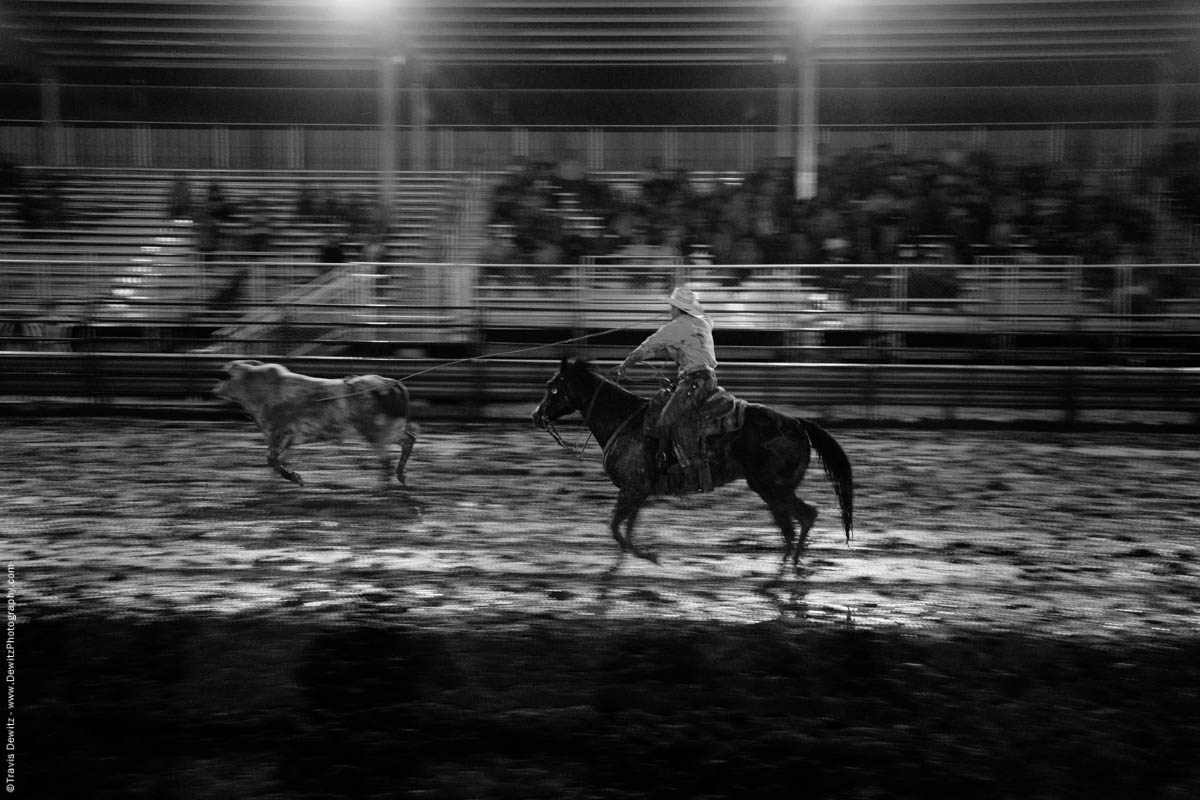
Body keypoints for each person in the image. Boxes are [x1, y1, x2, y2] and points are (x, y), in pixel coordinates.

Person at [616, 286, 718, 492]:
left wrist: (627, 363)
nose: (669, 309)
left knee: (668, 418)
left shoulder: (676, 327)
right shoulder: (703, 323)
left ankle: (695, 472)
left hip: (694, 380)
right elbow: (668, 345)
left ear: (677, 308)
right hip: (707, 379)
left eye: (672, 306)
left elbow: (650, 345)